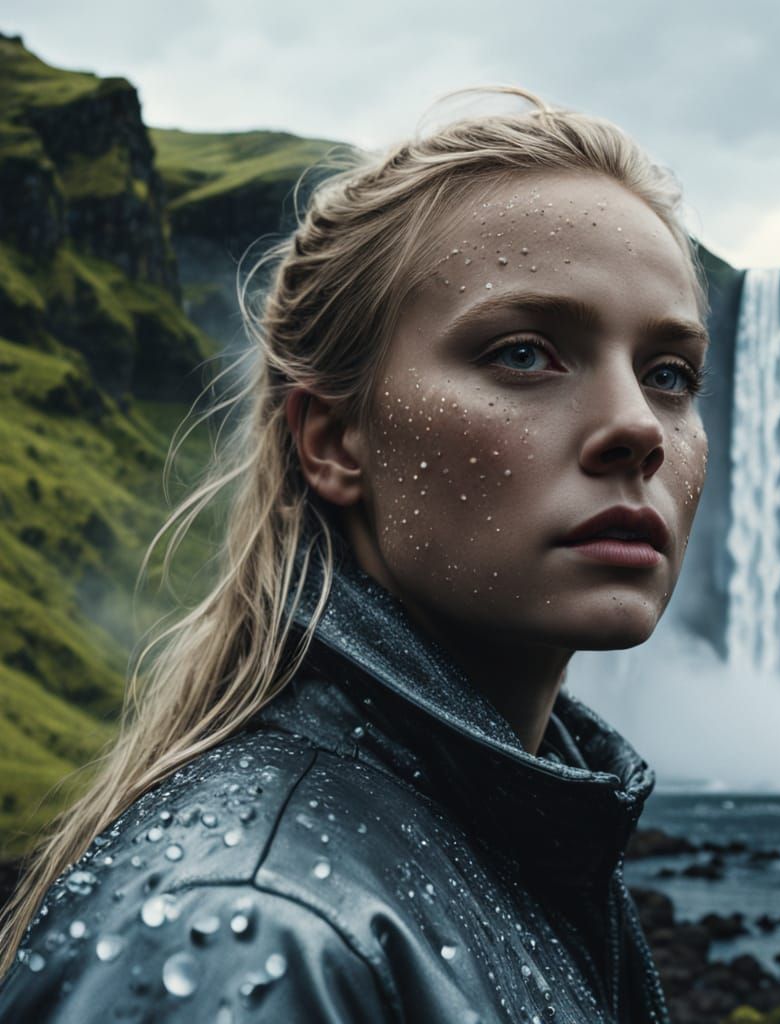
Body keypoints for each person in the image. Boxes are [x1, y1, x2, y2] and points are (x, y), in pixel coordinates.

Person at [0, 85, 709, 1022]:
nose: (636, 428)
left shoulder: (520, 840)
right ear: (335, 441)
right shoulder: (250, 925)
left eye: (669, 375)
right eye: (526, 354)